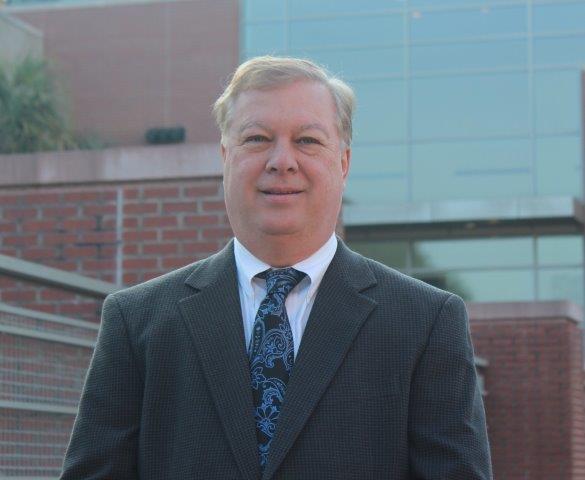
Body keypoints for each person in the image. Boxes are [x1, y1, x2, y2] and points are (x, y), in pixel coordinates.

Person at [61, 56, 492, 479]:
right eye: (257, 138)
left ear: (343, 163)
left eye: (307, 140)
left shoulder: (425, 323)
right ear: (225, 157)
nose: (281, 160)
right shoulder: (136, 322)